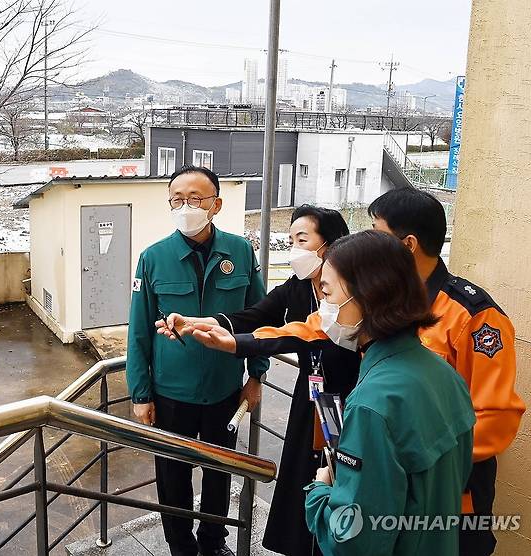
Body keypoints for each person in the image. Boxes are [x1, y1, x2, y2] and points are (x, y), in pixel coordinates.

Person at [182, 231, 477, 555]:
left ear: (367, 296)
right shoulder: (444, 373)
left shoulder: (372, 406)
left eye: (328, 292)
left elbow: (349, 539)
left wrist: (321, 488)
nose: (323, 308)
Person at [157, 205, 361, 556]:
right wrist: (202, 323)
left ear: (329, 246)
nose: (294, 249)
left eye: (302, 239)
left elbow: (287, 335)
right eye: (291, 239)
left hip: (348, 395)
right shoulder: (299, 287)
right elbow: (256, 317)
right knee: (306, 473)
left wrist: (237, 348)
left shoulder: (356, 292)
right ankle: (304, 544)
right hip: (313, 396)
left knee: (346, 473)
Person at [368, 187, 525, 556]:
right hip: (396, 483)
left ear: (407, 244)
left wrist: (420, 456)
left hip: (455, 495)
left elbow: (496, 418)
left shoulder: (474, 315)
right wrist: (242, 339)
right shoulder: (391, 300)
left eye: (376, 233)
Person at [126, 165, 269, 556]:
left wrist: (256, 376)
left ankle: (213, 541)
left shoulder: (240, 251)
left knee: (220, 472)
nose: (185, 206)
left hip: (225, 390)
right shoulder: (153, 258)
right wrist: (140, 394)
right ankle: (180, 545)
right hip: (171, 394)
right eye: (177, 199)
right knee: (173, 476)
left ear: (216, 205)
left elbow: (259, 317)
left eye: (195, 198)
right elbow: (138, 332)